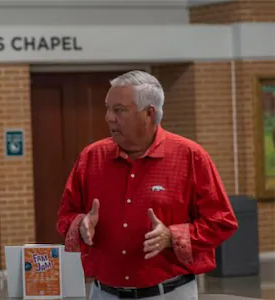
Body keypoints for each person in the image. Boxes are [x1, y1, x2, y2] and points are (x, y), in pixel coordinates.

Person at [56, 70, 238, 300]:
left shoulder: (190, 156)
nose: (109, 117)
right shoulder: (92, 157)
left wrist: (172, 237)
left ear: (149, 113)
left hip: (169, 293)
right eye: (108, 108)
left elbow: (222, 222)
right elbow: (65, 216)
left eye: (119, 110)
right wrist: (80, 225)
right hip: (103, 293)